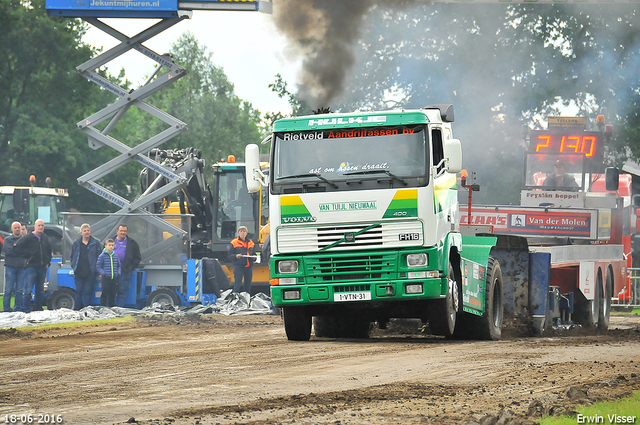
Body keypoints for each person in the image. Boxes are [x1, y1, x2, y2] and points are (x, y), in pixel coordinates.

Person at [12, 219, 52, 313]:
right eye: (39, 225)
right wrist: (27, 255)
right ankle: (26, 309)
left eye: (42, 225)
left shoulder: (45, 237)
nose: (41, 227)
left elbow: (49, 250)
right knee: (28, 289)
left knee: (40, 290)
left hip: (42, 267)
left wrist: (47, 262)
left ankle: (38, 309)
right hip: (31, 267)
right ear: (35, 226)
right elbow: (16, 247)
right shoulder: (28, 237)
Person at [70, 223, 101, 310]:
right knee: (78, 291)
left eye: (88, 230)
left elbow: (99, 257)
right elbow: (72, 256)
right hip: (79, 271)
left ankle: (86, 310)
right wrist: (74, 266)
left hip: (90, 272)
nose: (86, 232)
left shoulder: (95, 243)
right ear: (81, 233)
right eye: (84, 231)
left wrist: (97, 270)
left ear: (90, 232)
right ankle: (76, 310)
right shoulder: (76, 243)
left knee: (88, 292)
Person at [112, 224, 141, 307]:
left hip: (124, 271)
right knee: (111, 290)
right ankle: (110, 308)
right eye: (121, 231)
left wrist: (130, 267)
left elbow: (137, 258)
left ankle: (119, 309)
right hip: (111, 271)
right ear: (117, 231)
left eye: (125, 231)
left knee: (122, 291)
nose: (123, 232)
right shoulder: (111, 241)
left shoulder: (132, 243)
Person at [3, 222, 26, 312]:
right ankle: (6, 310)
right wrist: (18, 250)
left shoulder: (24, 239)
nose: (17, 229)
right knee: (8, 290)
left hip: (21, 267)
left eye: (18, 227)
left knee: (19, 291)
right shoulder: (7, 239)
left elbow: (26, 251)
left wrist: (15, 248)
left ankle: (18, 309)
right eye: (15, 228)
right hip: (10, 267)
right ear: (12, 229)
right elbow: (8, 251)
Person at [227, 226, 256, 293]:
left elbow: (254, 253)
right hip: (239, 266)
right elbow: (229, 256)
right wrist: (236, 256)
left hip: (249, 266)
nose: (243, 233)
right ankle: (235, 299)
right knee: (237, 285)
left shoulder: (251, 243)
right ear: (238, 233)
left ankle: (246, 299)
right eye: (241, 231)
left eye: (244, 231)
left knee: (248, 286)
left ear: (246, 233)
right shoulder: (234, 242)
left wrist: (254, 257)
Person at [96, 239, 121, 307]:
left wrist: (118, 272)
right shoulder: (102, 256)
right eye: (109, 245)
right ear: (105, 246)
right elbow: (98, 266)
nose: (111, 247)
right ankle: (103, 307)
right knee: (104, 293)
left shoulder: (115, 256)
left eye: (112, 245)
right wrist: (103, 273)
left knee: (113, 294)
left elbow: (119, 265)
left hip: (114, 278)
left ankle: (112, 307)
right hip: (106, 278)